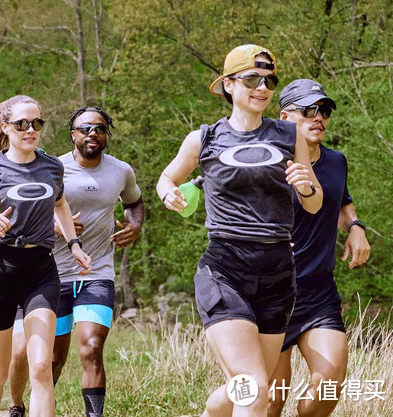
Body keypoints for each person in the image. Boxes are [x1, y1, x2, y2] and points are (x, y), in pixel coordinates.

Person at [156, 44, 323, 417]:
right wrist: (168, 192)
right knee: (255, 388)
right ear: (228, 85)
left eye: (268, 80)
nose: (262, 88)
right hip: (225, 270)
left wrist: (305, 185)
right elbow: (167, 177)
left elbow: (314, 202)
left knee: (248, 387)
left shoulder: (288, 135)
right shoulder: (205, 139)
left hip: (278, 271)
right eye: (251, 79)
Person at [0, 95, 92, 417]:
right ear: (5, 127)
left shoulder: (52, 166)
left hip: (40, 270)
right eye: (22, 124)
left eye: (36, 123)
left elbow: (61, 204)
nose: (30, 130)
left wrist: (74, 244)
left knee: (40, 365)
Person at [266, 79, 370, 417]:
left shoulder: (336, 161)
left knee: (326, 390)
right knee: (269, 401)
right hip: (270, 294)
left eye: (324, 111)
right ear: (285, 117)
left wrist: (355, 227)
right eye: (309, 110)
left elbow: (343, 200)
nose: (319, 118)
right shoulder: (266, 165)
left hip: (318, 293)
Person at [44, 106, 145, 417]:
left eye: (99, 129)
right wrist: (56, 227)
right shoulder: (52, 169)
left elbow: (135, 201)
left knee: (90, 348)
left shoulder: (121, 171)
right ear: (73, 134)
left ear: (106, 135)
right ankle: (38, 407)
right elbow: (30, 212)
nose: (92, 134)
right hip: (53, 275)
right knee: (53, 358)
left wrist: (135, 225)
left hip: (97, 274)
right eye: (85, 128)